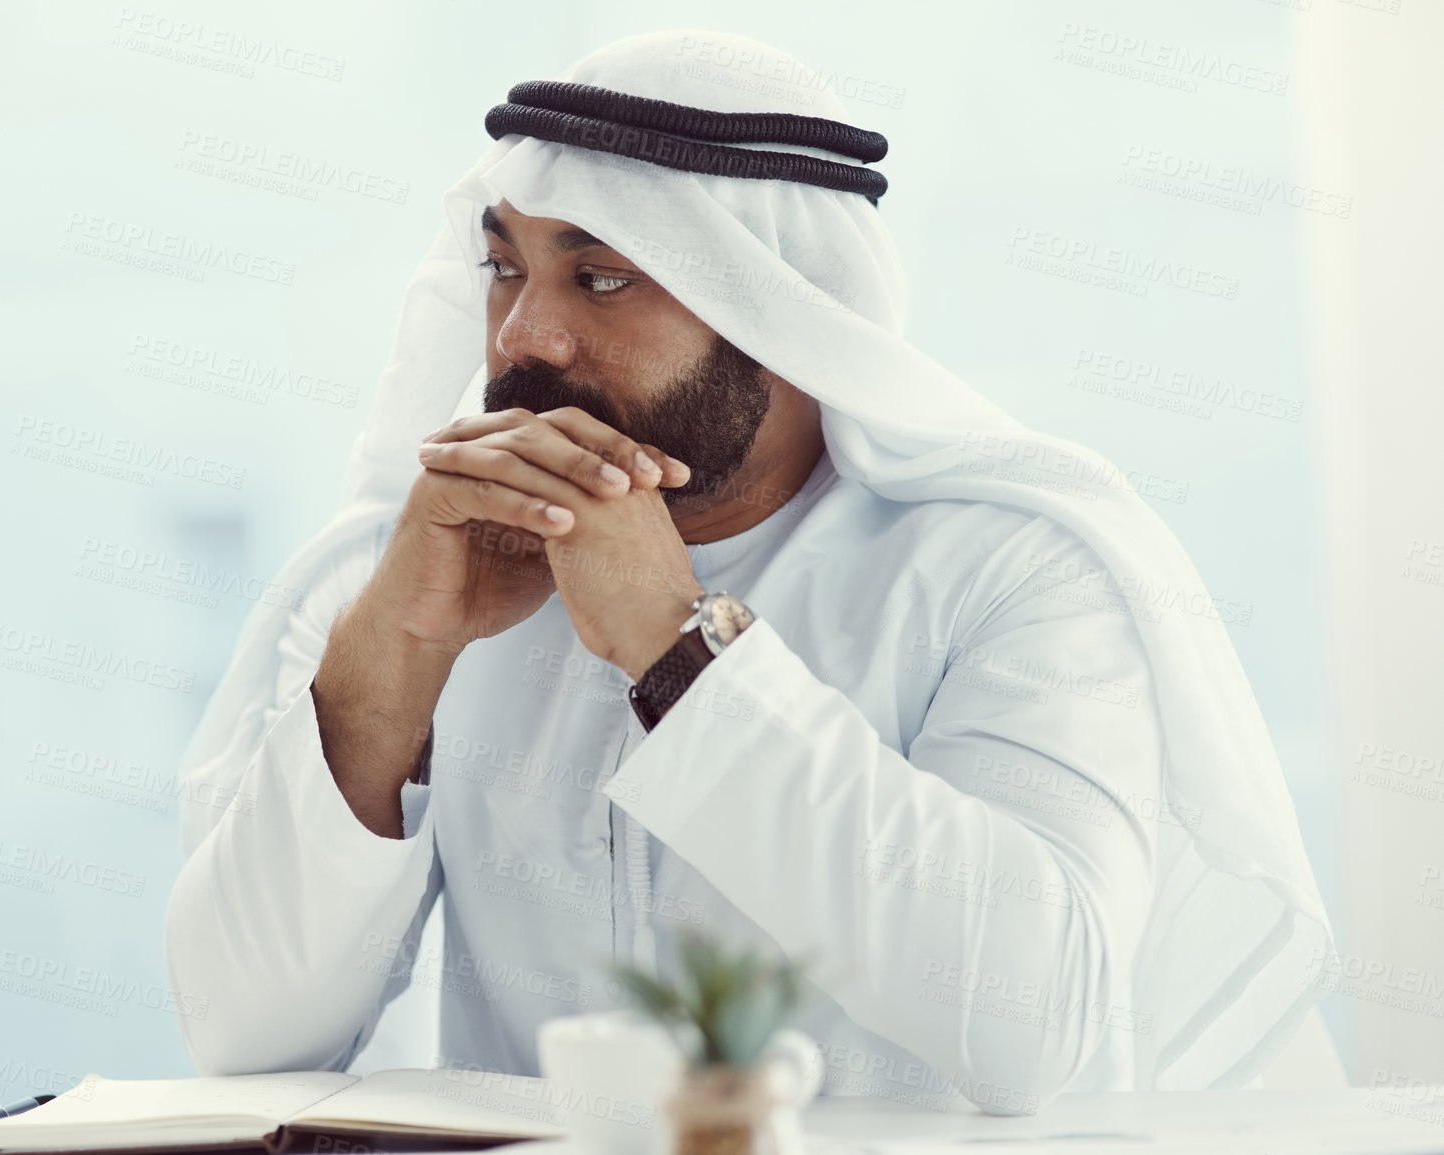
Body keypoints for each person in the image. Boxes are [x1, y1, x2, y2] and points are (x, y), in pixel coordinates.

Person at [164, 30, 1331, 1113]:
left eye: (601, 277)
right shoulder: (415, 570)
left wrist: (679, 648)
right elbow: (245, 1033)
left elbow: (1033, 1025)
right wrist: (398, 653)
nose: (523, 337)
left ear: (780, 304)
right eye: (504, 269)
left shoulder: (1010, 572)